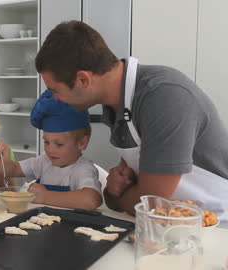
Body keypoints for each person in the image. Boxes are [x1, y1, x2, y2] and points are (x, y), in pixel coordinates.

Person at [35, 20, 228, 221]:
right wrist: (114, 193)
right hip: (169, 225)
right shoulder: (115, 104)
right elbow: (117, 193)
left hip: (219, 227)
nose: (55, 98)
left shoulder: (163, 97)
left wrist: (120, 197)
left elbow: (152, 204)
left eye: (55, 90)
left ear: (83, 80)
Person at [0, 90, 102, 210]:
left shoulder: (83, 169)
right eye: (46, 142)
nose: (50, 150)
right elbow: (11, 170)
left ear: (82, 143)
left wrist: (46, 196)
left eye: (59, 144)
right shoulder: (44, 162)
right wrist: (4, 159)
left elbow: (91, 200)